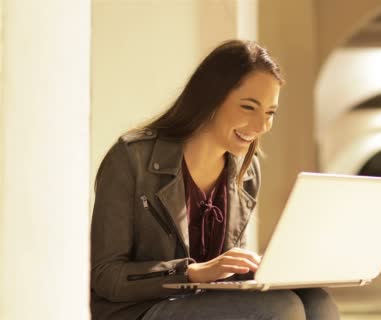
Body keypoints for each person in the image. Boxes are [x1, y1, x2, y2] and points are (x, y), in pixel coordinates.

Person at [90, 40, 340, 320]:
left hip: (203, 304)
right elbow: (105, 275)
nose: (260, 127)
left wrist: (256, 268)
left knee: (318, 302)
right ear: (210, 99)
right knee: (282, 309)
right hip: (137, 311)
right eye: (248, 107)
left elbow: (225, 273)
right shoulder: (131, 158)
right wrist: (191, 272)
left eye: (270, 113)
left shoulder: (246, 170)